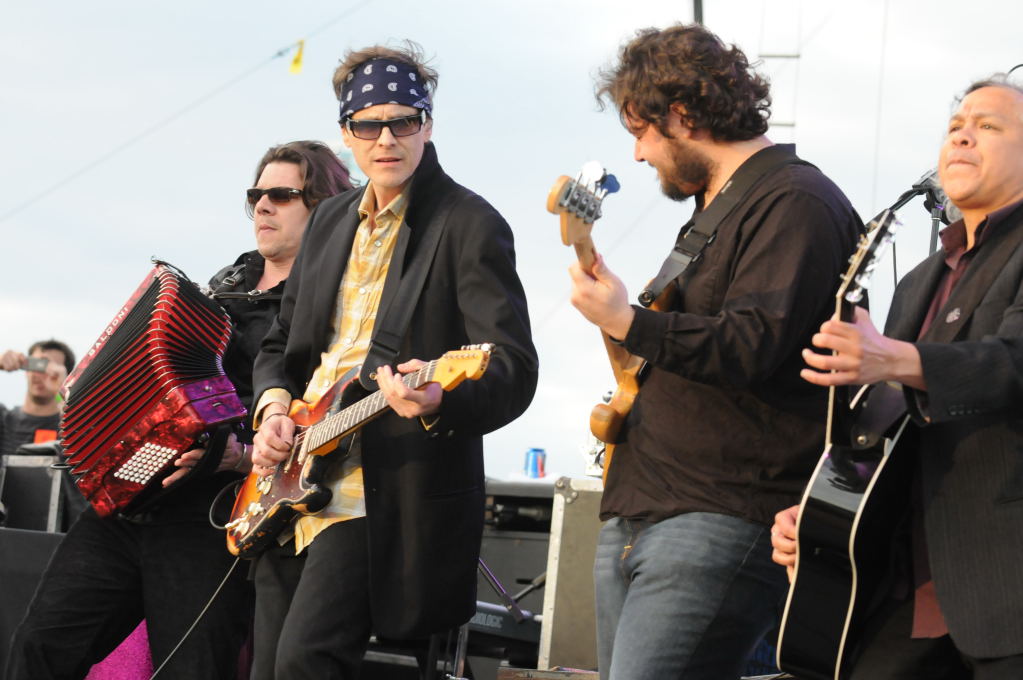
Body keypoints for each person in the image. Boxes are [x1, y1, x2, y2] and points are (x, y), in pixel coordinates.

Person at [567, 23, 862, 679]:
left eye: (642, 132)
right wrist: (623, 319)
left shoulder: (794, 200)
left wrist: (627, 321)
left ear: (680, 115)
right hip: (644, 505)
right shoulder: (717, 209)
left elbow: (749, 344)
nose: (638, 155)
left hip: (721, 513)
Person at [5, 141, 353, 680]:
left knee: (191, 670)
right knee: (39, 647)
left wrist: (238, 454)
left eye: (282, 195)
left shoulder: (327, 310)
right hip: (132, 501)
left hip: (214, 518)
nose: (262, 206)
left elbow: (317, 419)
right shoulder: (224, 285)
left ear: (325, 207)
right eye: (256, 195)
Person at [249, 41, 538, 679]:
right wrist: (272, 411)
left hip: (382, 492)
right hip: (292, 479)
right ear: (346, 133)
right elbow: (280, 344)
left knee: (305, 662)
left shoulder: (468, 222)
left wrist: (441, 399)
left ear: (427, 125)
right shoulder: (329, 220)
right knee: (267, 668)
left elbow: (514, 367)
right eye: (368, 125)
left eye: (403, 121)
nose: (386, 139)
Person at [772, 78, 1023, 678]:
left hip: (1006, 588)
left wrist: (896, 359)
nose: (963, 135)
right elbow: (889, 431)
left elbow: (1014, 363)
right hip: (906, 590)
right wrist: (823, 511)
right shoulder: (918, 280)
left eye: (989, 126)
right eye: (956, 126)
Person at [0, 340, 75, 456]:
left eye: (52, 369)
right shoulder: (3, 419)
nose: (41, 374)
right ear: (26, 370)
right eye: (38, 365)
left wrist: (60, 392)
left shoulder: (70, 428)